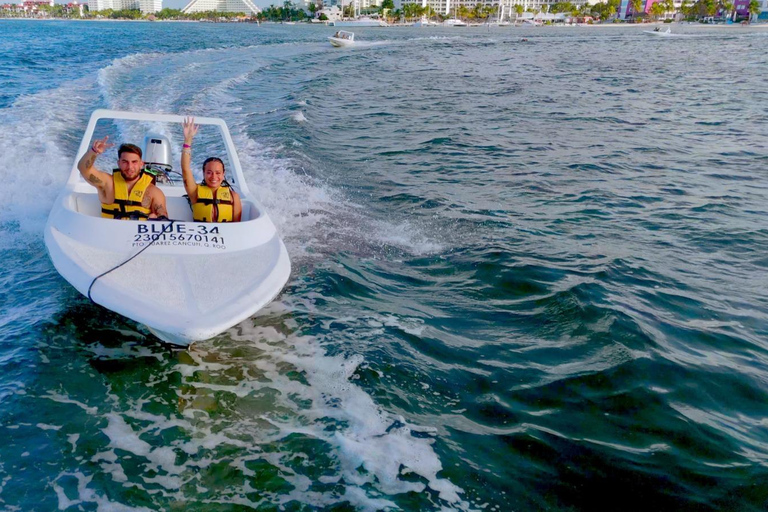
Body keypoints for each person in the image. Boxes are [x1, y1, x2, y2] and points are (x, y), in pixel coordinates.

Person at [77, 137, 168, 220]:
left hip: (138, 237)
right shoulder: (107, 184)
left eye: (134, 162)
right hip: (109, 236)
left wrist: (156, 219)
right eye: (125, 162)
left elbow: (163, 215)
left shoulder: (153, 191)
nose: (130, 167)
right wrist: (94, 151)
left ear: (141, 164)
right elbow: (83, 169)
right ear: (118, 163)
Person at [181, 117, 242, 223]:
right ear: (203, 174)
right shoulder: (195, 192)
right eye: (209, 173)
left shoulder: (233, 196)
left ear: (223, 174)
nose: (214, 177)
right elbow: (185, 168)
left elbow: (237, 226)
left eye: (218, 173)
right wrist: (188, 141)